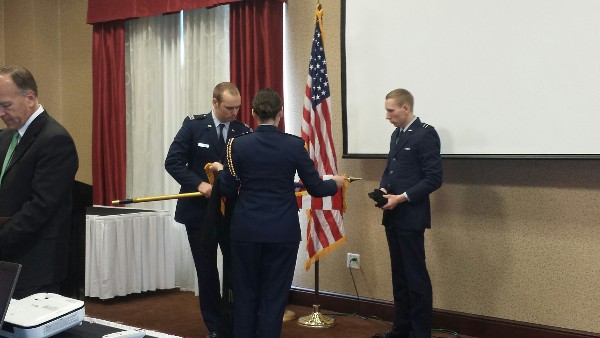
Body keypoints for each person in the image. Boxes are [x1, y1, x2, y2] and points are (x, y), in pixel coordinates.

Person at [211, 88, 346, 338]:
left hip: (245, 230)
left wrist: (220, 171)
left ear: (252, 113)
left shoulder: (235, 145)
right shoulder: (294, 145)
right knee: (274, 297)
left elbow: (228, 189)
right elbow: (315, 188)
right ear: (281, 113)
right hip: (282, 232)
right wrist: (336, 183)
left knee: (245, 294)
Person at [165, 82, 251, 338]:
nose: (234, 112)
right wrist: (198, 183)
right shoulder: (193, 126)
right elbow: (173, 162)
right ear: (214, 103)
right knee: (207, 271)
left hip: (232, 212)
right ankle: (214, 326)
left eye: (237, 107)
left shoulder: (243, 130)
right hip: (199, 213)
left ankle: (233, 322)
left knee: (235, 270)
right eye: (228, 108)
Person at [0, 66, 79, 299]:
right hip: (8, 253)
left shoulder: (55, 139)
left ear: (30, 98)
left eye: (6, 105)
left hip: (34, 261)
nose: (1, 113)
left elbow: (40, 208)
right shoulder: (6, 137)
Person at [372, 89, 442, 338]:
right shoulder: (396, 135)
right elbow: (390, 169)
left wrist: (401, 197)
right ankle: (401, 329)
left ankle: (420, 333)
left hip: (411, 216)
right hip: (393, 215)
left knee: (415, 277)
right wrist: (383, 188)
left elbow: (434, 179)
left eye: (391, 110)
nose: (387, 116)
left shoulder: (425, 134)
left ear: (405, 108)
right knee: (399, 276)